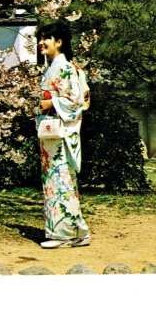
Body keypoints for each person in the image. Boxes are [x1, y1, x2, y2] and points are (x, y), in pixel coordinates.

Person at [36, 20, 91, 249]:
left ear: (59, 42)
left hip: (60, 137)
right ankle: (77, 232)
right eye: (40, 38)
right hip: (51, 135)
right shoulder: (53, 67)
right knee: (56, 182)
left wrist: (50, 102)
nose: (41, 43)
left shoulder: (65, 67)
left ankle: (64, 235)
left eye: (46, 38)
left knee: (61, 182)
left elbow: (76, 101)